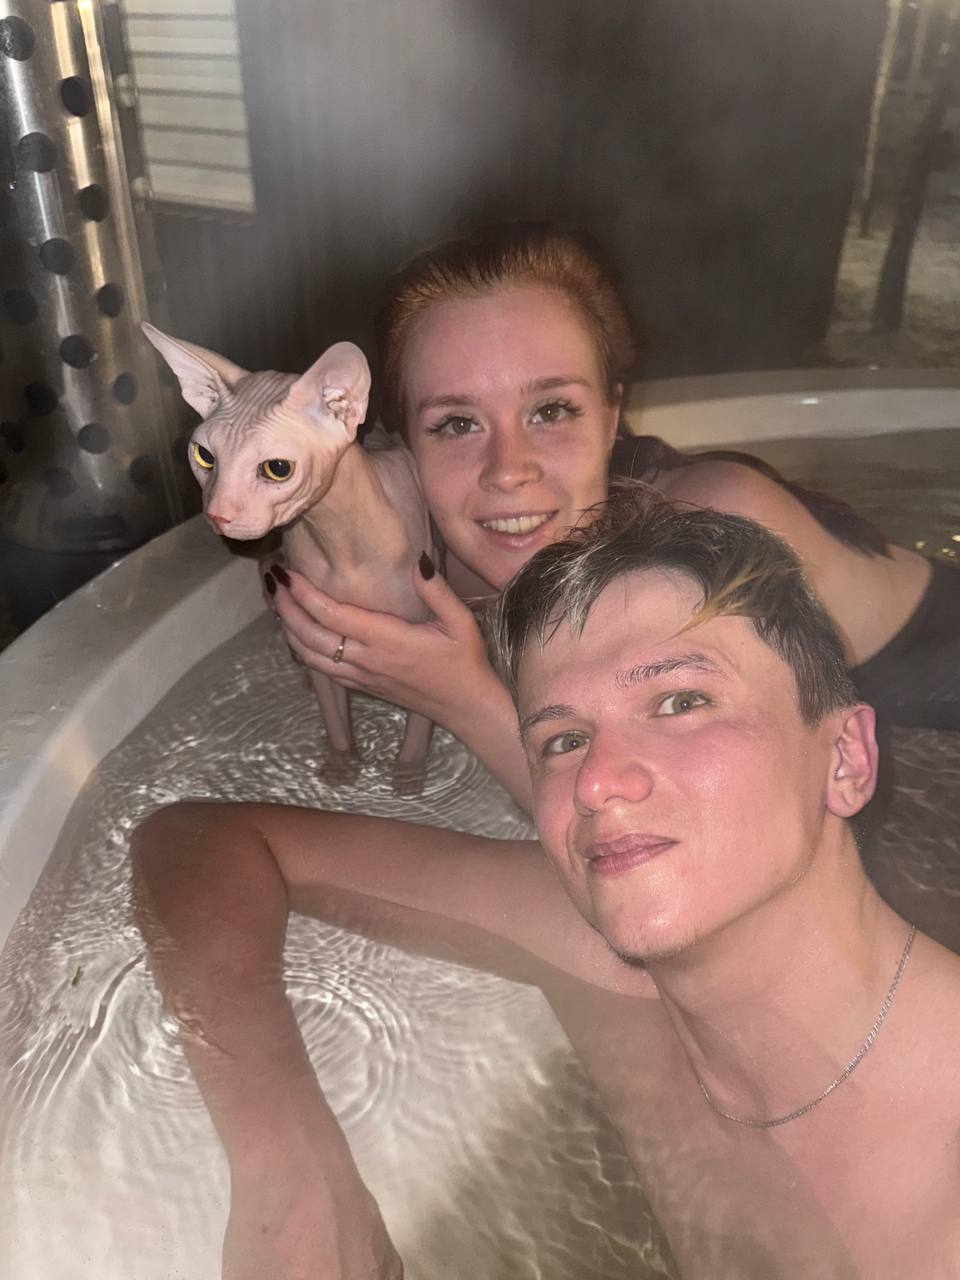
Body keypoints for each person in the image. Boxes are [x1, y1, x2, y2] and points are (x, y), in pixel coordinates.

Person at [133, 493, 960, 1280]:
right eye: (563, 740)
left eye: (680, 700)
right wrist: (287, 1161)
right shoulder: (608, 966)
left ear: (846, 759)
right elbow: (199, 843)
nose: (597, 781)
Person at [265, 222, 958, 814]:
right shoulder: (428, 558)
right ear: (404, 447)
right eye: (456, 423)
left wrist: (462, 698)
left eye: (551, 410)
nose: (508, 470)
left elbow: (718, 840)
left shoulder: (717, 532)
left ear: (610, 415)